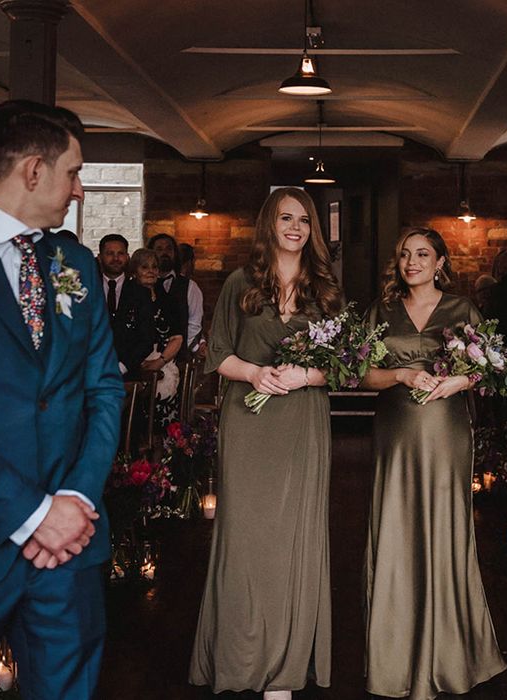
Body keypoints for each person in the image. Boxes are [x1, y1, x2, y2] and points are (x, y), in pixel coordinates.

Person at [0, 100, 123, 698]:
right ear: (34, 171)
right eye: (73, 172)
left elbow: (103, 388)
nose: (80, 190)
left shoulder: (75, 263)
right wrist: (33, 516)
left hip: (71, 551)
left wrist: (78, 498)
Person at [190, 187, 342, 699]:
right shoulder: (241, 282)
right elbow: (218, 354)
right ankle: (241, 659)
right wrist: (255, 373)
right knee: (246, 537)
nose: (296, 227)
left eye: (304, 220)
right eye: (286, 218)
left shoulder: (325, 287)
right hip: (249, 425)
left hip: (302, 421)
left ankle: (285, 666)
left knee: (295, 535)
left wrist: (307, 376)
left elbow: (345, 367)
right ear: (269, 225)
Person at [362, 228, 506, 698]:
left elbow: (490, 363)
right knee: (396, 528)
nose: (412, 261)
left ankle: (447, 652)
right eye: (404, 254)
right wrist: (401, 373)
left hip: (446, 429)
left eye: (422, 254)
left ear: (440, 261)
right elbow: (362, 374)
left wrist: (457, 384)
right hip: (395, 431)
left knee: (445, 529)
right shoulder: (381, 310)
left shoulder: (462, 308)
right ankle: (395, 655)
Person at [129, 247, 185, 427]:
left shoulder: (167, 300)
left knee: (163, 424)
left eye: (154, 267)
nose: (151, 271)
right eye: (144, 267)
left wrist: (159, 362)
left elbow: (177, 337)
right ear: (134, 271)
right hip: (133, 363)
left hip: (164, 362)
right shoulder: (127, 297)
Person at [99, 233, 154, 378]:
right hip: (91, 372)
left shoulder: (141, 293)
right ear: (100, 257)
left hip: (127, 374)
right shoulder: (89, 290)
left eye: (120, 254)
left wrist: (121, 367)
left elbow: (146, 339)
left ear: (127, 257)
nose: (116, 258)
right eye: (110, 253)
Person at [147, 233, 191, 357]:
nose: (164, 253)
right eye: (159, 249)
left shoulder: (189, 286)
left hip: (178, 356)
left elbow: (194, 324)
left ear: (175, 253)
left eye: (169, 249)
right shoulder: (138, 287)